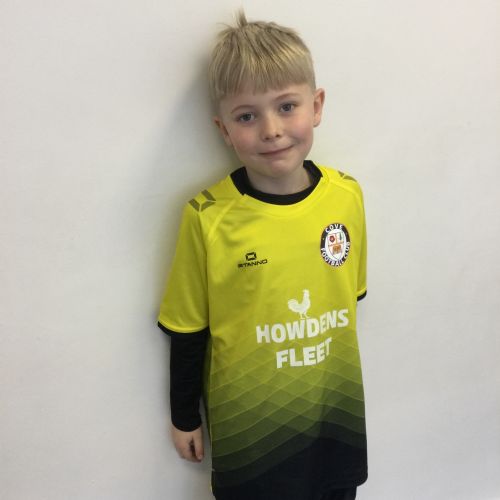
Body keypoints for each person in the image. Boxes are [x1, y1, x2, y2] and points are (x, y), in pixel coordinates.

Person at [158, 11, 368, 500]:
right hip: (251, 439)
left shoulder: (347, 197)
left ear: (316, 106)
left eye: (287, 106)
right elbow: (187, 331)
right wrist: (184, 416)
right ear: (224, 129)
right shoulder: (207, 216)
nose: (271, 130)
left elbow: (347, 300)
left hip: (334, 425)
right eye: (247, 116)